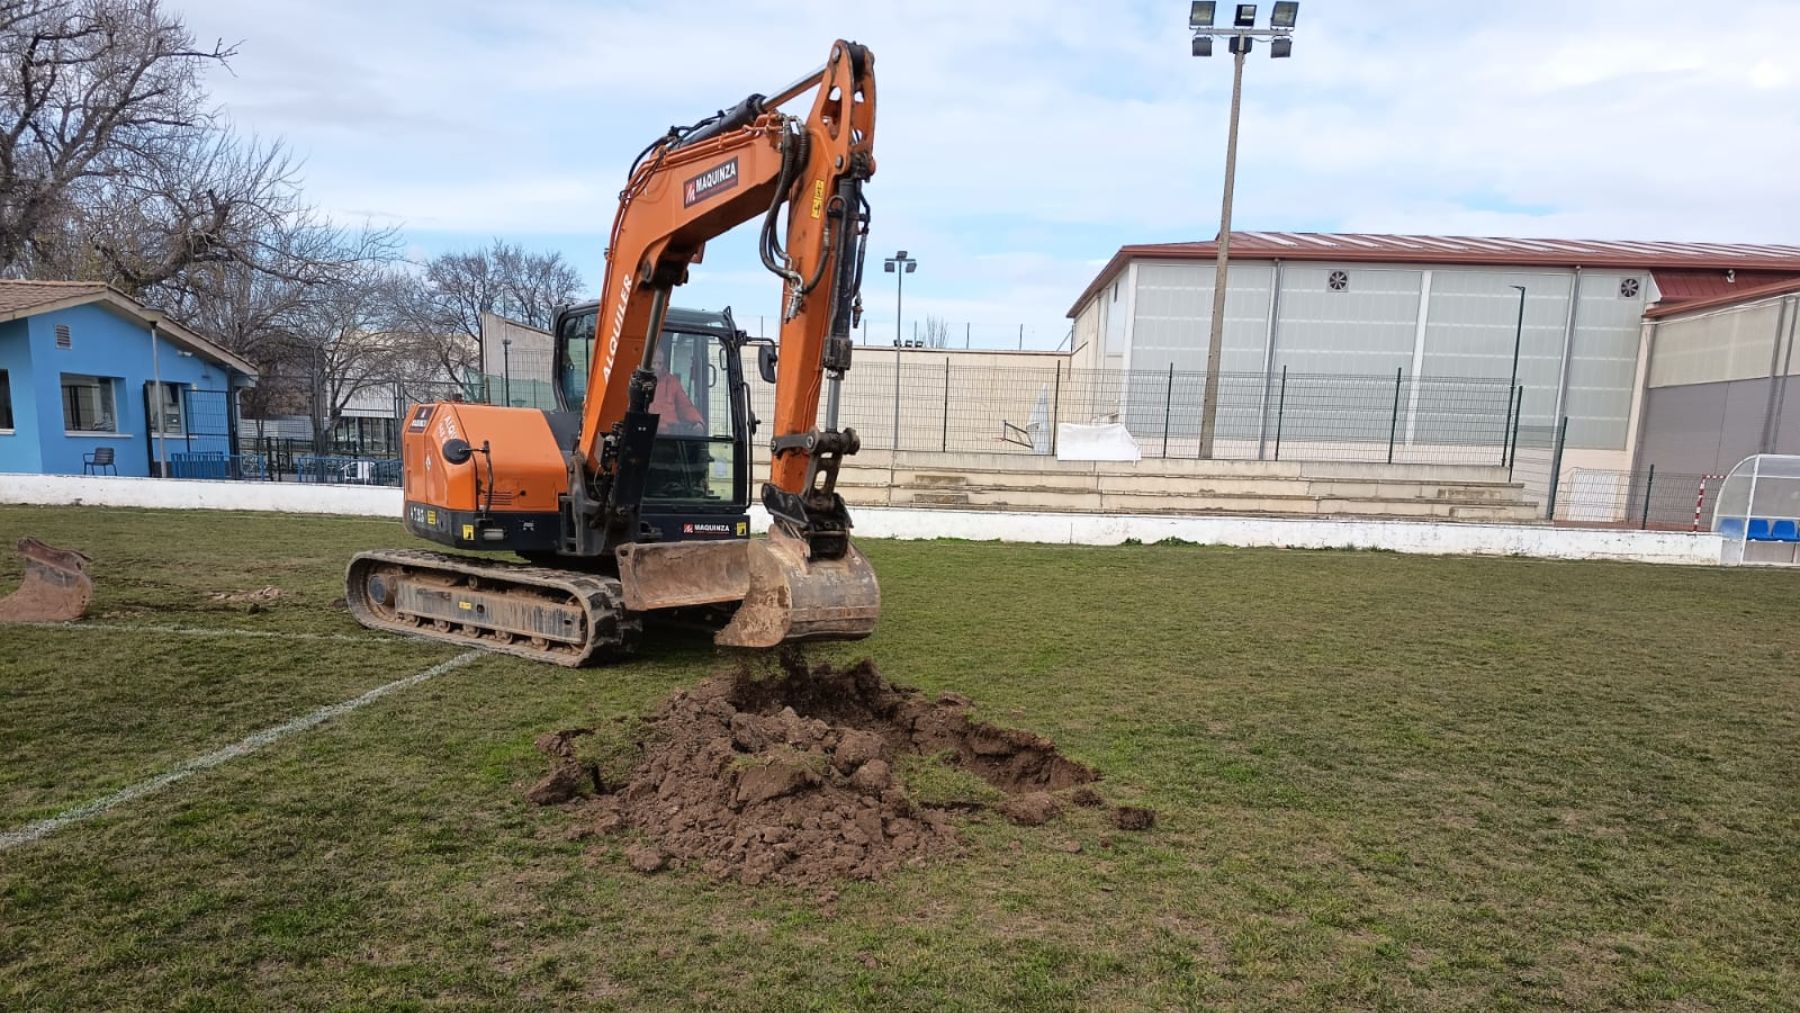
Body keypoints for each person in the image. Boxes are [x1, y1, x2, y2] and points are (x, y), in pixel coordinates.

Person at [650, 340, 706, 436]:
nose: (657, 367)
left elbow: (685, 406)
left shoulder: (672, 382)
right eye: (654, 363)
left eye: (660, 363)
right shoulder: (637, 383)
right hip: (645, 433)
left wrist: (698, 422)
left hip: (669, 436)